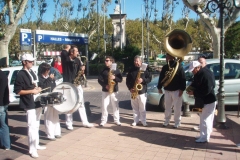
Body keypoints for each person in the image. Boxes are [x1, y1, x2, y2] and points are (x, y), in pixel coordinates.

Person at [14, 54, 46, 158]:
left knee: (36, 125)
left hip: (36, 101)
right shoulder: (20, 74)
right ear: (24, 62)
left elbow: (34, 84)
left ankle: (36, 144)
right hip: (29, 102)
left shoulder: (31, 71)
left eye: (32, 61)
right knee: (31, 126)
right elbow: (18, 91)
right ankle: (32, 149)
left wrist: (38, 88)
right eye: (30, 61)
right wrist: (32, 91)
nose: (32, 63)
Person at [61, 45, 93, 130]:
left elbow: (81, 71)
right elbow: (63, 53)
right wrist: (67, 48)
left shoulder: (77, 60)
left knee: (81, 103)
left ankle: (85, 122)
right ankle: (69, 123)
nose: (78, 53)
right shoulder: (66, 59)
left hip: (77, 84)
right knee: (69, 104)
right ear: (71, 52)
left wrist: (83, 70)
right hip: (68, 84)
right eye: (76, 51)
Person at [186, 61, 216, 143]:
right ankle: (204, 135)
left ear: (198, 67)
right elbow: (196, 84)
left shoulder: (205, 74)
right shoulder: (198, 74)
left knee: (205, 119)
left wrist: (194, 92)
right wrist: (191, 88)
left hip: (208, 100)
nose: (192, 72)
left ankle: (205, 137)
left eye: (193, 70)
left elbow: (207, 89)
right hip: (202, 100)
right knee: (203, 118)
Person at [157, 54, 186, 128]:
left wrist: (182, 89)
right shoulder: (165, 67)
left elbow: (183, 79)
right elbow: (161, 78)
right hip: (167, 90)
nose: (167, 59)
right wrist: (159, 87)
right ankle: (167, 120)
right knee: (167, 107)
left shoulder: (179, 67)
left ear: (172, 57)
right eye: (166, 57)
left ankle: (177, 122)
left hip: (176, 90)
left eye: (168, 57)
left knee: (177, 107)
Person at [38, 63, 61, 141]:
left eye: (48, 70)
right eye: (47, 70)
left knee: (55, 116)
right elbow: (43, 86)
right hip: (46, 99)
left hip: (53, 98)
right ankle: (50, 134)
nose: (48, 71)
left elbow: (53, 86)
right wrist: (49, 79)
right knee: (49, 116)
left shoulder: (49, 77)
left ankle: (57, 132)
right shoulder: (40, 78)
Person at [126, 55, 152, 126]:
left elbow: (149, 78)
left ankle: (143, 121)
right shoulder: (131, 70)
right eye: (135, 61)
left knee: (142, 108)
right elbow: (128, 80)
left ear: (141, 61)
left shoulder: (145, 69)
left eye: (137, 61)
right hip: (133, 91)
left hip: (142, 92)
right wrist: (130, 88)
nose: (135, 62)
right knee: (135, 108)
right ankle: (136, 120)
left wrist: (143, 80)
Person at [98, 56, 123, 126]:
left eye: (107, 60)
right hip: (105, 90)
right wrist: (105, 85)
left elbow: (120, 79)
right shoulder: (103, 70)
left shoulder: (116, 70)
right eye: (105, 60)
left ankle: (117, 120)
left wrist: (115, 77)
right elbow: (99, 80)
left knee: (115, 106)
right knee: (104, 106)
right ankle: (103, 120)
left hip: (114, 90)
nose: (105, 62)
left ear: (111, 61)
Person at [0, 69, 11, 150]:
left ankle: (5, 144)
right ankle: (6, 144)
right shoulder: (3, 75)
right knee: (4, 125)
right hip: (4, 103)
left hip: (1, 104)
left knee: (3, 125)